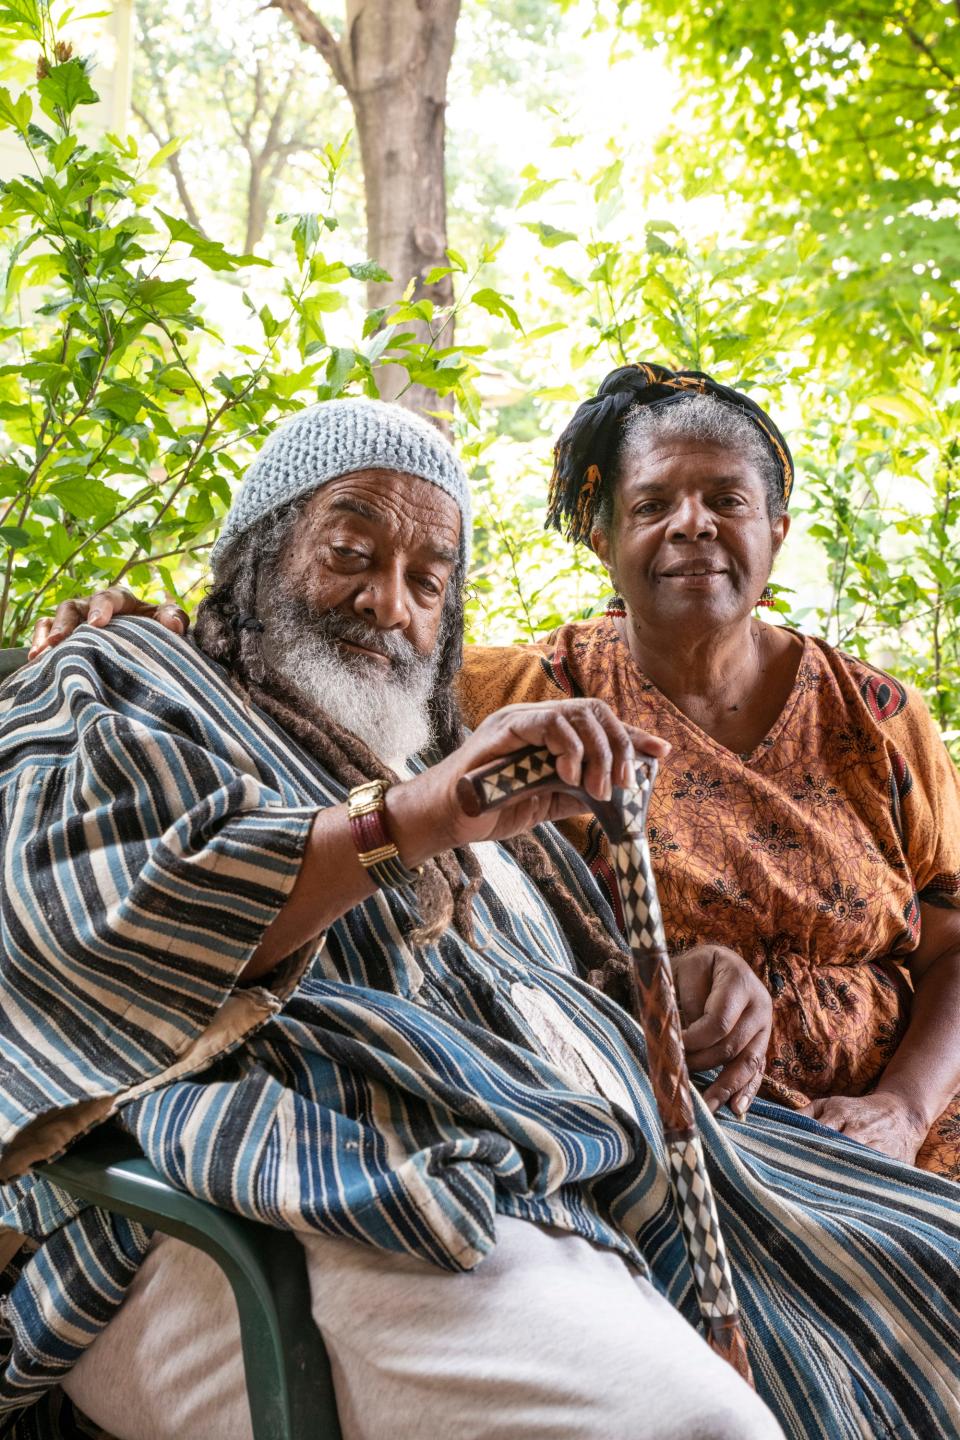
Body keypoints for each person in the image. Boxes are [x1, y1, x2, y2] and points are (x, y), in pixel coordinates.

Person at [14, 398, 960, 1440]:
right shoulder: (131, 680)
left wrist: (673, 979)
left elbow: (557, 970)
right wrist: (413, 819)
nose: (389, 605)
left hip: (600, 1157)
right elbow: (88, 920)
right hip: (329, 1169)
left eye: (430, 581)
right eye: (350, 553)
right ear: (254, 552)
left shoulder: (427, 746)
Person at [51, 366, 960, 1178]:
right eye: (651, 505)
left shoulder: (877, 719)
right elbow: (308, 660)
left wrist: (905, 1109)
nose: (692, 524)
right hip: (696, 1127)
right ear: (601, 538)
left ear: (777, 531)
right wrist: (143, 627)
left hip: (905, 1121)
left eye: (726, 499)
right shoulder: (518, 695)